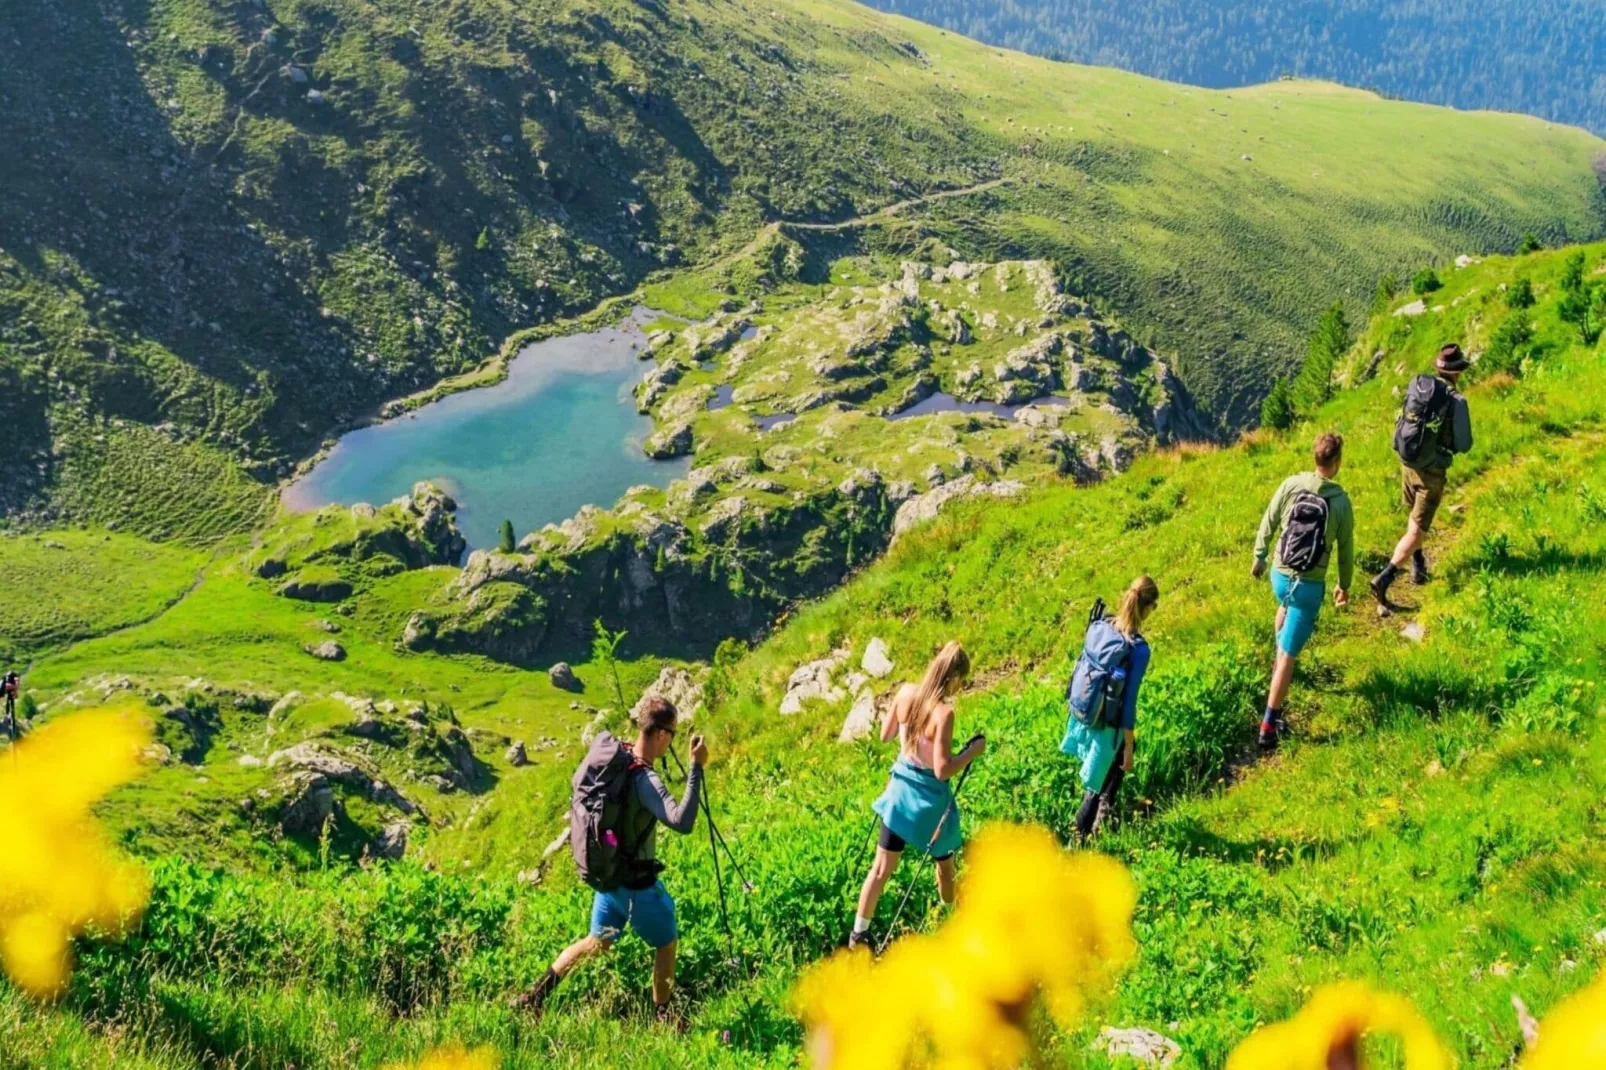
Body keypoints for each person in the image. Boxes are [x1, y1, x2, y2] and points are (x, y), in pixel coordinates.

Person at [515, 696, 706, 1023]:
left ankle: (535, 996)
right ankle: (666, 1019)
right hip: (636, 887)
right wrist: (696, 768)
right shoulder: (646, 780)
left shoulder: (619, 759)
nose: (672, 740)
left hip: (609, 879)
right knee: (667, 942)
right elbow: (682, 822)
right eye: (672, 734)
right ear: (660, 734)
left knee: (597, 942)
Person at [848, 640, 982, 952]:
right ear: (953, 678)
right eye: (961, 682)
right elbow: (942, 770)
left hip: (898, 797)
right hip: (930, 807)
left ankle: (859, 936)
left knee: (880, 870)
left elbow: (885, 735)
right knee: (945, 871)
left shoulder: (906, 693)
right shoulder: (944, 713)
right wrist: (971, 752)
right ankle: (952, 920)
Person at [1251, 432, 1354, 750]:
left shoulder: (1291, 484)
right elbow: (1346, 549)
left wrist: (1259, 555)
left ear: (1315, 458)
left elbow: (1269, 520)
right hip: (1309, 586)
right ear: (1336, 462)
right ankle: (1269, 725)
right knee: (1288, 655)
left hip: (1279, 577)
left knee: (1284, 606)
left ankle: (1278, 664)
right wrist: (1344, 585)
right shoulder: (1340, 502)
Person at [1371, 343, 1474, 610]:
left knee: (1412, 514)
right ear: (1457, 372)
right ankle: (1386, 577)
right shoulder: (1456, 401)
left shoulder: (1420, 386)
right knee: (1418, 529)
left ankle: (1418, 566)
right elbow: (1464, 445)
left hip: (1408, 462)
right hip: (1432, 471)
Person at [1060, 576, 1158, 842]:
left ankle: (1104, 814)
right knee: (1096, 785)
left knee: (1106, 774)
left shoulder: (1103, 625)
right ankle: (1079, 838)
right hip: (1109, 726)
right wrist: (1127, 746)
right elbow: (1129, 703)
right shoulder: (1137, 649)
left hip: (1086, 714)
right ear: (1147, 607)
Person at [2, 671, 18, 739]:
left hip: (8, 689)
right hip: (6, 688)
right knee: (9, 700)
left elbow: (15, 686)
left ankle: (9, 716)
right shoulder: (7, 681)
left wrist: (15, 692)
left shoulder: (12, 679)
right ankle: (8, 716)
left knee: (10, 700)